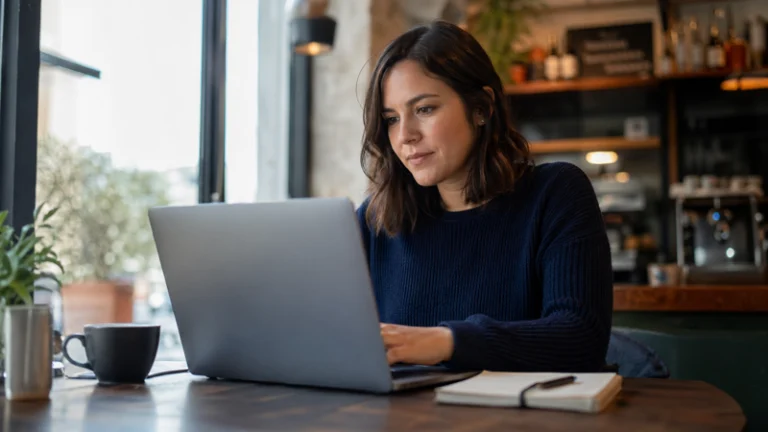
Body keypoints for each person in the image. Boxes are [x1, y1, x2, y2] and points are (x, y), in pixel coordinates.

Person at [356, 21, 613, 373]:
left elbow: (581, 338)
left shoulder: (556, 193)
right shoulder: (375, 218)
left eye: (425, 109)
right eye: (390, 119)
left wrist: (444, 342)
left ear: (482, 108)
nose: (405, 136)